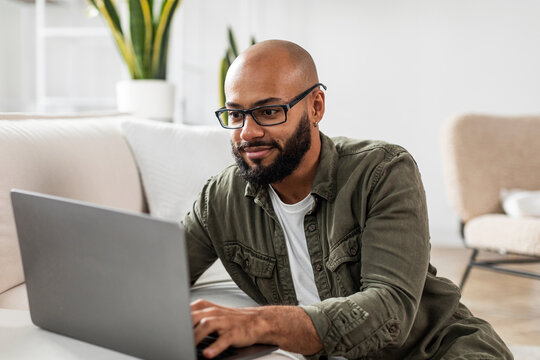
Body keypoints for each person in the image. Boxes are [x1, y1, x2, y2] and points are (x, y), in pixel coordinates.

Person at [183, 39, 512, 360]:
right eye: (236, 115)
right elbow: (157, 278)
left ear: (316, 106)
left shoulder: (383, 172)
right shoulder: (219, 200)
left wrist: (260, 324)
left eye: (269, 112)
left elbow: (390, 308)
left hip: (435, 350)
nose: (248, 132)